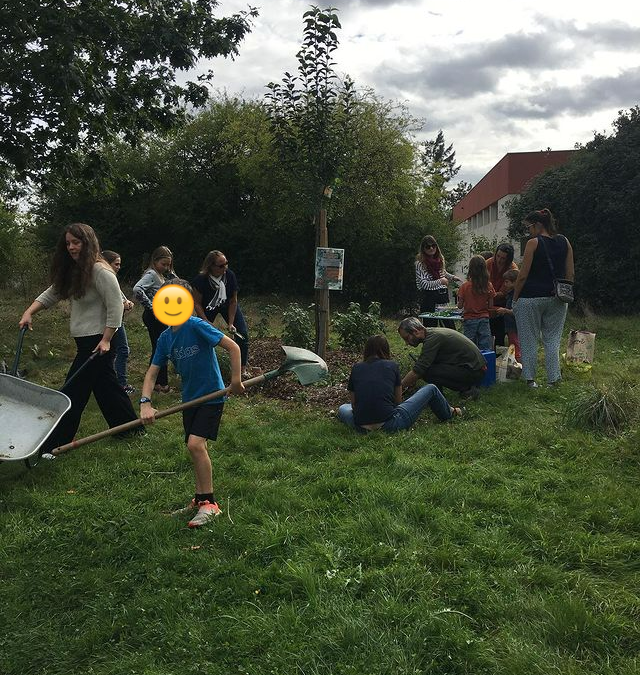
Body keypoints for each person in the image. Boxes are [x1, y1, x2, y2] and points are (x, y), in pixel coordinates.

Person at [18, 223, 139, 455]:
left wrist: (106, 339)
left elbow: (116, 307)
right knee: (107, 388)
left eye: (76, 242)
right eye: (68, 243)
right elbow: (53, 293)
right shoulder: (75, 270)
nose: (72, 247)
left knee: (73, 392)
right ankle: (129, 429)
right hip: (86, 340)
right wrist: (29, 312)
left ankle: (55, 444)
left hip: (99, 341)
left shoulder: (101, 271)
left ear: (88, 242)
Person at [139, 279, 245, 528]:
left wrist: (236, 380)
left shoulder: (195, 325)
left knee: (196, 445)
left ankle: (210, 504)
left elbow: (233, 347)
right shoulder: (165, 338)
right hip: (190, 400)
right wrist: (145, 402)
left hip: (211, 395)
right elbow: (152, 373)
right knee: (193, 447)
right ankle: (199, 500)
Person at [337, 335, 463, 433]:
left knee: (343, 408)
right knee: (431, 388)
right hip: (391, 424)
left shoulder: (356, 367)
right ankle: (450, 413)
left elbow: (353, 405)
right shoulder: (392, 366)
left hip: (360, 425)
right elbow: (398, 401)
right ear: (386, 350)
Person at [512, 208, 574, 388]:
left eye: (529, 227)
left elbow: (522, 275)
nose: (529, 231)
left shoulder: (533, 243)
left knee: (528, 339)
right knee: (552, 340)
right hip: (557, 297)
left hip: (530, 298)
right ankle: (553, 379)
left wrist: (515, 298)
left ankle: (530, 380)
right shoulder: (565, 242)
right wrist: (564, 291)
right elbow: (570, 272)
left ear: (538, 225)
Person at [191, 250, 250, 375]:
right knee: (201, 335)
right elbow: (197, 303)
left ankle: (242, 369)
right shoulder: (201, 280)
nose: (225, 268)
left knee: (243, 334)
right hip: (208, 307)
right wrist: (206, 321)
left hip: (227, 305)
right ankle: (199, 367)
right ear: (211, 266)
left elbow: (233, 300)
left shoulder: (229, 276)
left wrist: (231, 323)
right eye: (221, 266)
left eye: (226, 264)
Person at [397, 317, 487, 398]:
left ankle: (468, 389)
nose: (407, 343)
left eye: (406, 338)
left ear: (416, 331)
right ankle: (438, 395)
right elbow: (426, 363)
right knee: (428, 369)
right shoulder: (431, 333)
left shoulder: (432, 339)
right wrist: (413, 379)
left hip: (475, 371)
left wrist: (398, 388)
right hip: (474, 367)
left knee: (426, 372)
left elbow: (419, 369)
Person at [133, 245, 177, 393]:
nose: (165, 267)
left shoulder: (162, 275)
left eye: (168, 265)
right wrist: (152, 306)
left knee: (161, 347)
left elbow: (177, 282)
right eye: (163, 264)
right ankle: (159, 384)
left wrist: (171, 272)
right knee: (160, 348)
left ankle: (159, 382)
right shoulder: (151, 274)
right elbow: (137, 289)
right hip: (154, 317)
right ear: (155, 261)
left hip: (161, 317)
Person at [102, 250, 135, 394]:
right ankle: (121, 384)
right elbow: (110, 302)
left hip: (117, 320)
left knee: (113, 352)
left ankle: (111, 383)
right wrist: (124, 304)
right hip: (112, 322)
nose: (119, 267)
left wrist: (128, 302)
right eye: (116, 264)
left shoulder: (113, 280)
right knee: (122, 350)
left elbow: (121, 298)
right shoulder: (106, 279)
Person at [415, 235, 462, 329]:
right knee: (431, 328)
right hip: (429, 298)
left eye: (433, 245)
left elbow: (442, 272)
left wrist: (452, 277)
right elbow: (424, 284)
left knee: (449, 327)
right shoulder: (420, 263)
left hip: (442, 297)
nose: (431, 248)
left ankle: (450, 343)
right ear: (423, 249)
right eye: (428, 247)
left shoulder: (440, 259)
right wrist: (440, 281)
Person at [457, 255, 495, 350]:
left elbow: (460, 306)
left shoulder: (465, 286)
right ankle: (486, 363)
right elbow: (491, 306)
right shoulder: (488, 286)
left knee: (469, 345)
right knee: (485, 344)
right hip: (484, 318)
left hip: (469, 319)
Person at [486, 243, 518, 347]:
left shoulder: (512, 268)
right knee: (488, 332)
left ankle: (499, 353)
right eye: (498, 256)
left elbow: (505, 291)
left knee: (501, 333)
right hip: (488, 302)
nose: (499, 260)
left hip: (505, 303)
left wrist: (491, 294)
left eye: (503, 258)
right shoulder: (488, 263)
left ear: (508, 259)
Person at [494, 269, 521, 360]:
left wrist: (505, 311)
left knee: (514, 343)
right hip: (510, 325)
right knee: (512, 343)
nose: (504, 284)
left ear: (514, 282)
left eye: (507, 282)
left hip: (514, 325)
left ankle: (517, 361)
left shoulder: (516, 295)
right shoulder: (509, 294)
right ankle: (514, 359)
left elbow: (517, 311)